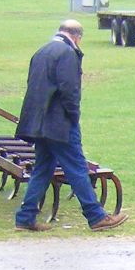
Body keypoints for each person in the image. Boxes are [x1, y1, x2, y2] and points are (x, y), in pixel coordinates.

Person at [13, 18, 126, 232]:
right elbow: (70, 91)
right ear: (77, 37)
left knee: (43, 169)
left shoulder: (42, 51)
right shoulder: (67, 54)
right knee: (76, 167)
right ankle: (96, 216)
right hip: (59, 123)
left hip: (39, 122)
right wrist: (73, 117)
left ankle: (25, 217)